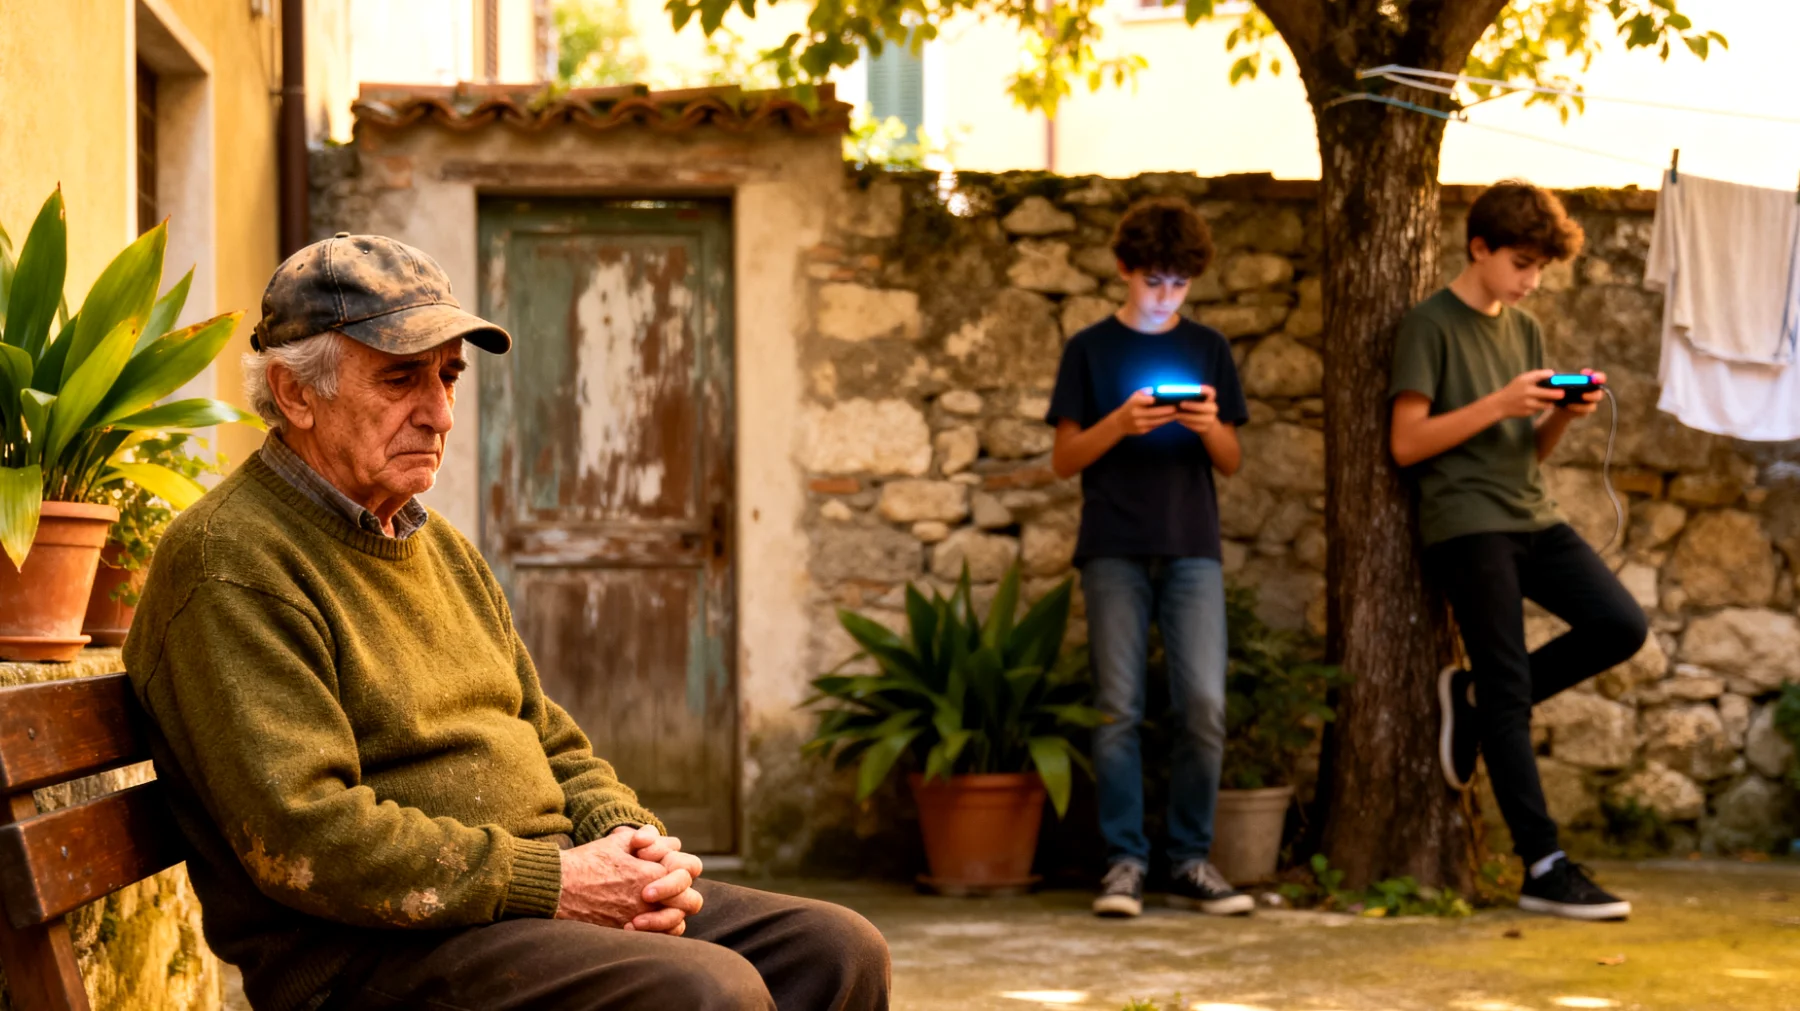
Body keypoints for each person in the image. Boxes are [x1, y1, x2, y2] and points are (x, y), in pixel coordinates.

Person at [124, 233, 890, 1011]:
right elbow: (306, 838)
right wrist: (556, 882)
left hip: (518, 903)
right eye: (401, 378)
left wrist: (628, 840)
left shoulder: (438, 546)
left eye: (448, 376)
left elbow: (543, 731)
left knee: (835, 950)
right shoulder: (229, 560)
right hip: (372, 955)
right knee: (707, 991)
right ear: (295, 393)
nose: (440, 413)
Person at [1388, 181, 1649, 921]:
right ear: (1480, 248)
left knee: (1621, 625)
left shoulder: (1526, 330)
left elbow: (1528, 453)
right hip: (1467, 523)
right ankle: (1543, 865)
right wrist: (1500, 402)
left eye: (1539, 268)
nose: (1531, 280)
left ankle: (1470, 700)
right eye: (1522, 264)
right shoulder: (1428, 326)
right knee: (1510, 689)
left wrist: (1562, 416)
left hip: (1532, 515)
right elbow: (1407, 444)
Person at [1046, 197, 1255, 919]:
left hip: (1193, 546)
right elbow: (1064, 458)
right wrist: (1121, 422)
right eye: (1153, 281)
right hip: (1112, 547)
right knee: (1117, 710)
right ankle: (1125, 862)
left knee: (1203, 705)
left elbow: (1231, 460)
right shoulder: (1089, 349)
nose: (1166, 296)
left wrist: (1207, 424)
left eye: (1179, 283)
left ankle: (1190, 859)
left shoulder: (1209, 348)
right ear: (1123, 269)